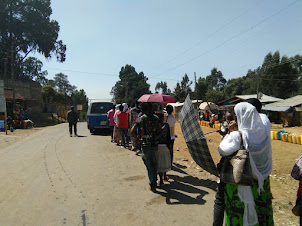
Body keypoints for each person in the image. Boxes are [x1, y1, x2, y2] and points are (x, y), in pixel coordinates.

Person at [217, 102, 274, 225]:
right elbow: (263, 118)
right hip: (260, 182)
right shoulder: (262, 132)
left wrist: (230, 133)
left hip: (242, 181)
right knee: (260, 212)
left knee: (240, 216)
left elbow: (222, 149)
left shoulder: (239, 136)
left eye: (236, 116)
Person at [131, 103, 161, 192]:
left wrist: (138, 140)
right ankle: (154, 181)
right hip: (155, 144)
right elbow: (160, 131)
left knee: (149, 165)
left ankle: (152, 183)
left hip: (145, 144)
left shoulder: (142, 118)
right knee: (155, 164)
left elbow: (132, 131)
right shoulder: (156, 118)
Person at [156, 112, 171, 186]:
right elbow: (168, 137)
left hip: (157, 146)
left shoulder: (155, 126)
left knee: (159, 164)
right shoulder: (166, 125)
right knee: (164, 162)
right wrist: (170, 147)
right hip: (165, 145)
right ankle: (165, 176)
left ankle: (161, 179)